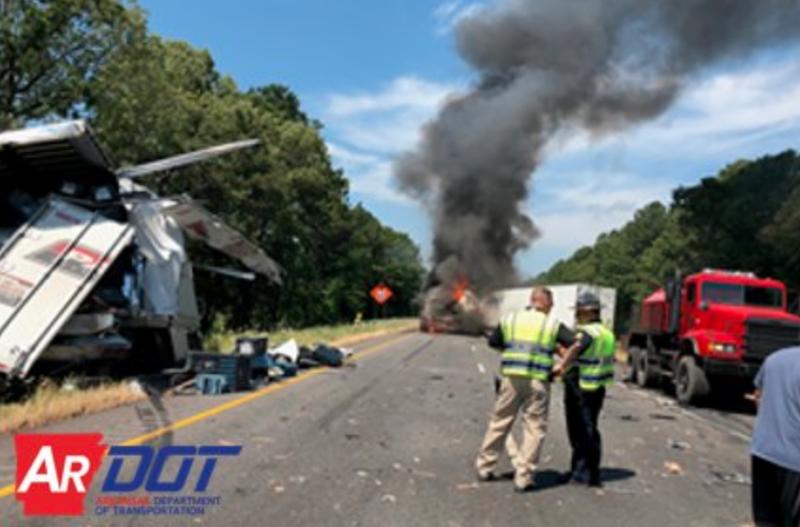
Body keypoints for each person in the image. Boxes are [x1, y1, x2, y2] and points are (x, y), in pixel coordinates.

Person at [476, 287, 592, 492]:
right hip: (538, 381)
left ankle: (485, 467)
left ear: (532, 301)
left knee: (499, 422)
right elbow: (575, 344)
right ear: (546, 303)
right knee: (534, 429)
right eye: (552, 303)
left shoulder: (510, 319)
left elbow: (493, 342)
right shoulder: (551, 324)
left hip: (511, 379)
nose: (552, 307)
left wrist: (509, 352)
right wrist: (561, 365)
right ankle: (524, 477)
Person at [556, 292, 616, 488]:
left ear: (588, 313)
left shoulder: (586, 332)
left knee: (580, 431)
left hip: (581, 388)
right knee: (591, 430)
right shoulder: (606, 332)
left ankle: (581, 474)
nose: (577, 317)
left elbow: (575, 350)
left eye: (579, 313)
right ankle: (591, 471)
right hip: (597, 387)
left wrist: (560, 366)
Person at [751, 347, 800, 526]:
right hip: (794, 461)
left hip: (763, 451)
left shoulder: (774, 359)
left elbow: (758, 397)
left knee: (765, 520)